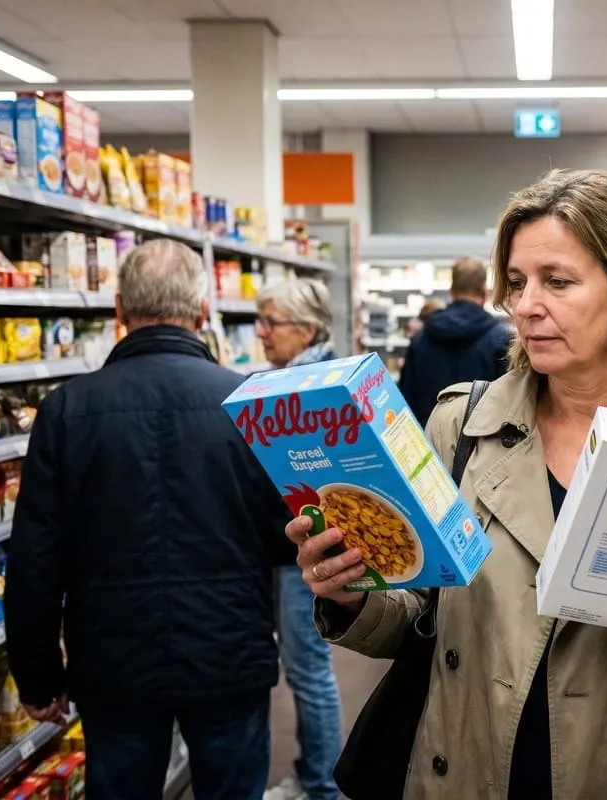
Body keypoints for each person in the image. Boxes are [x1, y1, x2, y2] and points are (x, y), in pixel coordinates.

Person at [288, 169, 607, 799]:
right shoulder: (463, 425)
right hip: (475, 767)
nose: (527, 305)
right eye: (517, 282)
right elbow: (417, 615)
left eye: (558, 282)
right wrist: (351, 592)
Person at [4, 239, 295, 800]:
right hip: (229, 650)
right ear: (204, 311)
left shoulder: (66, 410)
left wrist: (37, 674)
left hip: (113, 659)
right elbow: (287, 535)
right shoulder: (251, 402)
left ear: (119, 310)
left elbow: (36, 557)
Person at [254, 279, 345, 800]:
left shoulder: (310, 385)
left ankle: (323, 785)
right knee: (309, 667)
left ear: (306, 329)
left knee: (310, 671)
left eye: (272, 322)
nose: (262, 332)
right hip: (296, 549)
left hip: (305, 554)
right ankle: (316, 773)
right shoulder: (294, 377)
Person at [397, 256, 510, 425]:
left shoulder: (421, 338)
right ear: (484, 293)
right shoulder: (500, 339)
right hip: (481, 445)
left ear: (452, 291)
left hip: (429, 442)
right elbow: (508, 402)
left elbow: (405, 399)